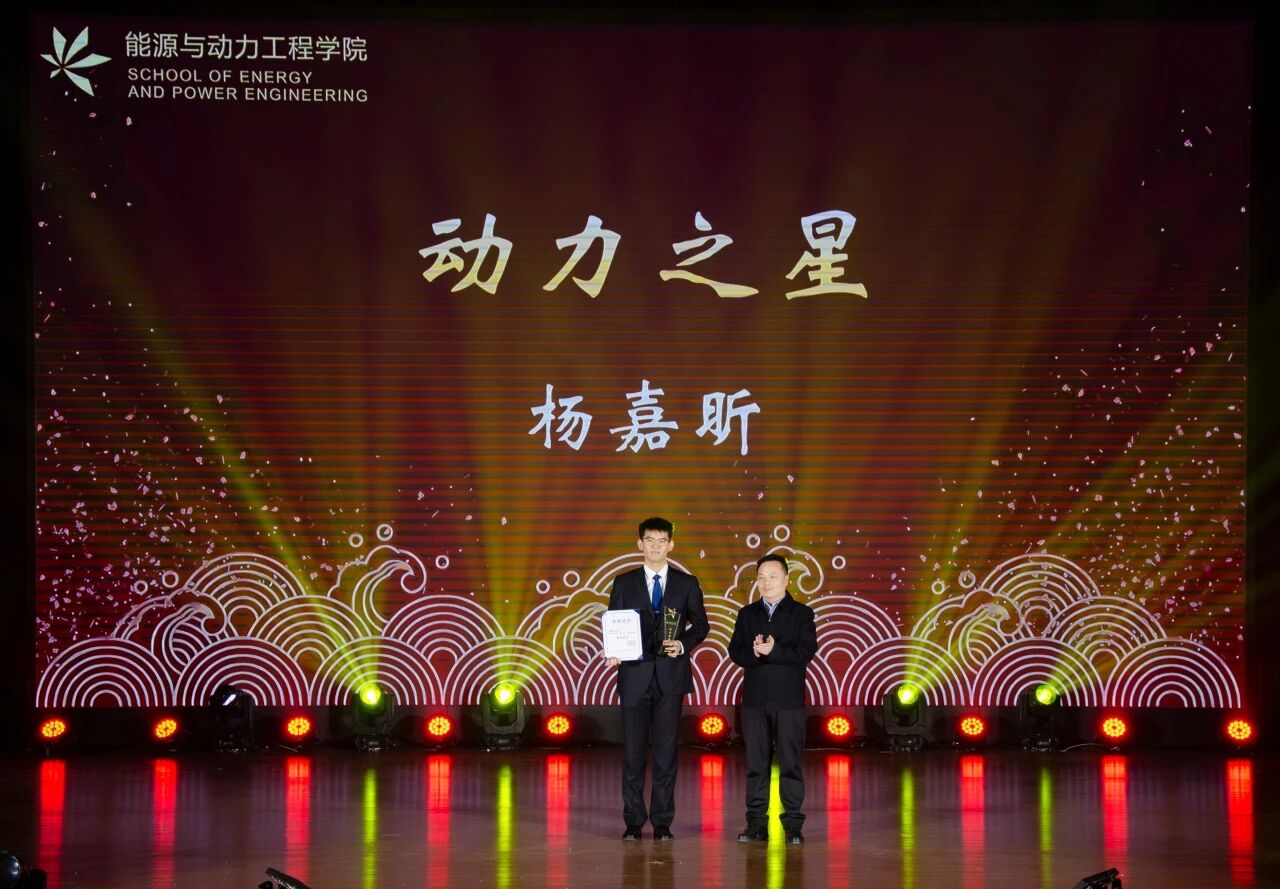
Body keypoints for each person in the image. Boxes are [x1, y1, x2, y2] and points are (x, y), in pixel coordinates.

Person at [605, 517, 709, 840]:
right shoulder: (623, 582)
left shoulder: (686, 583)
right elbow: (614, 622)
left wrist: (683, 644)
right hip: (634, 676)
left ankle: (663, 822)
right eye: (649, 540)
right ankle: (633, 822)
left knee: (666, 754)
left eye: (661, 541)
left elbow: (701, 625)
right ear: (640, 544)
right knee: (633, 754)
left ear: (671, 545)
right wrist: (613, 650)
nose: (655, 546)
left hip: (670, 677)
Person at [728, 553, 817, 844]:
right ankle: (756, 824)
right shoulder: (747, 614)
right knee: (756, 766)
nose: (766, 583)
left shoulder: (801, 613)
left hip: (789, 701)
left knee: (791, 764)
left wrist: (774, 651)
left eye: (773, 577)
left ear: (787, 580)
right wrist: (754, 653)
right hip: (754, 701)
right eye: (761, 577)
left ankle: (793, 825)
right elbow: (735, 651)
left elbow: (806, 652)